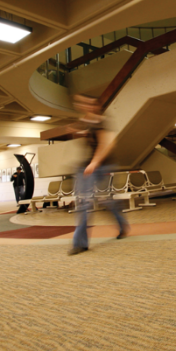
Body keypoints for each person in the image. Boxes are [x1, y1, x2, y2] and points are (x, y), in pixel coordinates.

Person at [66, 94, 128, 256]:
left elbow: (105, 144)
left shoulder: (100, 121)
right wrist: (78, 133)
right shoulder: (84, 123)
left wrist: (95, 162)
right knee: (84, 203)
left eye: (90, 103)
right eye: (83, 103)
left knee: (107, 201)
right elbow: (86, 139)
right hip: (86, 166)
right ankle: (80, 244)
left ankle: (122, 225)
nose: (87, 106)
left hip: (102, 165)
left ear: (96, 106)